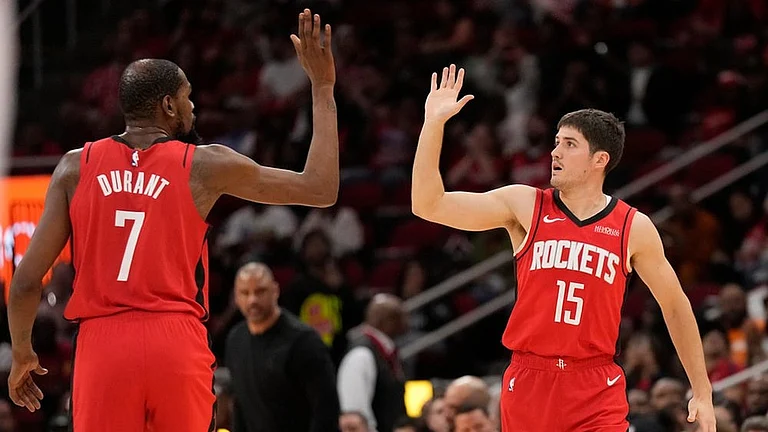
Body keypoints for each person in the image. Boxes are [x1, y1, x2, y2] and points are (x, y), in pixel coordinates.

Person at [7, 8, 338, 432]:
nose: (193, 106)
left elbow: (26, 281)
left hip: (102, 346)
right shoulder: (205, 164)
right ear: (168, 105)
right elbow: (320, 188)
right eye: (188, 97)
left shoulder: (76, 167)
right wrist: (324, 89)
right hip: (175, 341)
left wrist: (22, 354)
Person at [411, 64, 716, 431]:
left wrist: (702, 390)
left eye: (569, 145)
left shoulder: (633, 226)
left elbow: (675, 305)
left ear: (599, 160)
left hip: (595, 385)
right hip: (528, 379)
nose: (555, 152)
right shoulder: (524, 204)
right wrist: (433, 124)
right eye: (556, 142)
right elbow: (428, 205)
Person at [225, 262, 339, 432]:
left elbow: (326, 410)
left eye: (260, 291)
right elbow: (240, 405)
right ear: (236, 297)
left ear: (275, 291)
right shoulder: (235, 340)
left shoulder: (304, 341)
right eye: (245, 293)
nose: (252, 300)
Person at [337, 294, 409, 432]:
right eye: (401, 317)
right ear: (387, 321)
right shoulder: (361, 354)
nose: (406, 323)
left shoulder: (385, 351)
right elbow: (354, 413)